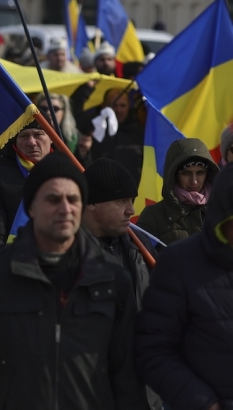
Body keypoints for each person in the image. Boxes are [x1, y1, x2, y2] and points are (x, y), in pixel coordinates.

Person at [0, 154, 148, 409]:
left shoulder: (112, 277)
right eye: (53, 199)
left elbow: (126, 380)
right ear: (31, 206)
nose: (65, 209)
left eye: (73, 199)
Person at [134, 163, 233, 410]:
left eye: (200, 173)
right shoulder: (179, 264)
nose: (194, 180)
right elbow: (152, 350)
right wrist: (203, 403)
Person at [82, 157, 162, 410]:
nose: (130, 210)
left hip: (143, 392)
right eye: (121, 201)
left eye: (132, 200)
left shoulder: (140, 246)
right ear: (91, 203)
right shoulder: (67, 255)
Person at [0, 121, 52, 252]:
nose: (32, 142)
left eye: (38, 134)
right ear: (14, 143)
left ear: (51, 138)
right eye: (24, 136)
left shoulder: (68, 178)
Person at [136, 138, 219, 248]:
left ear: (208, 174)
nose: (194, 181)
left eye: (200, 173)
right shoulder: (153, 216)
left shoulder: (223, 210)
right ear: (174, 175)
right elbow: (140, 261)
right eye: (186, 173)